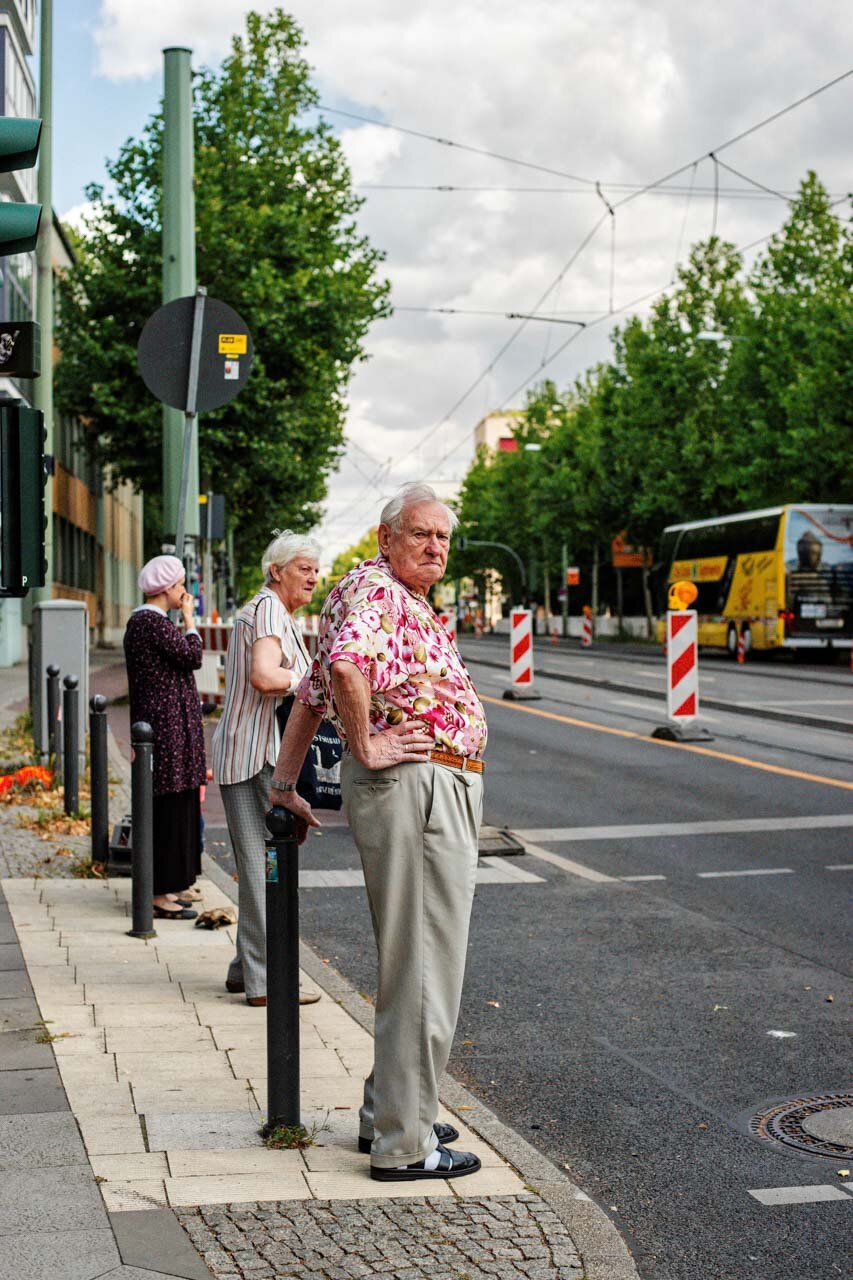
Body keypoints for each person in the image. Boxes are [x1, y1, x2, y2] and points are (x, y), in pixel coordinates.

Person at [270, 483, 488, 1182]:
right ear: (384, 537)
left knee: (412, 965)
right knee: (426, 971)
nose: (434, 548)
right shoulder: (382, 596)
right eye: (420, 534)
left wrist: (284, 782)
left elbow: (309, 692)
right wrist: (366, 746)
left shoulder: (360, 589)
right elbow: (341, 670)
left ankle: (392, 1111)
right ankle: (404, 1144)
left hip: (418, 789)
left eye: (443, 538)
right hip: (420, 790)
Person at [211, 531, 322, 1008]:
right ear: (277, 571)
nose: (314, 577)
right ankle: (265, 983)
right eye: (304, 568)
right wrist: (310, 683)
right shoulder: (270, 610)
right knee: (263, 869)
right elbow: (264, 676)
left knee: (262, 864)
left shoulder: (266, 610)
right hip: (255, 752)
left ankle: (245, 970)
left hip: (251, 749)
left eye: (316, 569)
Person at [123, 555, 206, 920]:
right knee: (169, 805)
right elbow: (193, 655)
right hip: (165, 728)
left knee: (177, 802)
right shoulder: (150, 623)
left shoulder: (147, 623)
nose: (185, 592)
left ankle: (172, 883)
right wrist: (189, 621)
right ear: (169, 588)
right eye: (181, 585)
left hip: (168, 725)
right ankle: (160, 892)